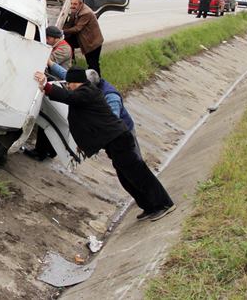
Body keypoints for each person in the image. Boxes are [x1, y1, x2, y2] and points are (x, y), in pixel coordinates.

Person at [34, 67, 175, 221]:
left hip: (119, 139)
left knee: (138, 174)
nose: (67, 86)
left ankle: (163, 204)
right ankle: (149, 206)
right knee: (127, 178)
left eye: (69, 83)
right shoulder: (83, 93)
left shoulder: (87, 92)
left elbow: (69, 97)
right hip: (113, 142)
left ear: (78, 83)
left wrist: (47, 85)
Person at [63, 0, 104, 75]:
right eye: (71, 4)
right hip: (84, 39)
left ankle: (97, 82)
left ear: (80, 4)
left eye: (75, 4)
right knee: (68, 41)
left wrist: (62, 31)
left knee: (93, 64)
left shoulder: (86, 13)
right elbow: (70, 23)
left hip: (93, 43)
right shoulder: (75, 11)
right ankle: (71, 60)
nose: (72, 6)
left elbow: (77, 28)